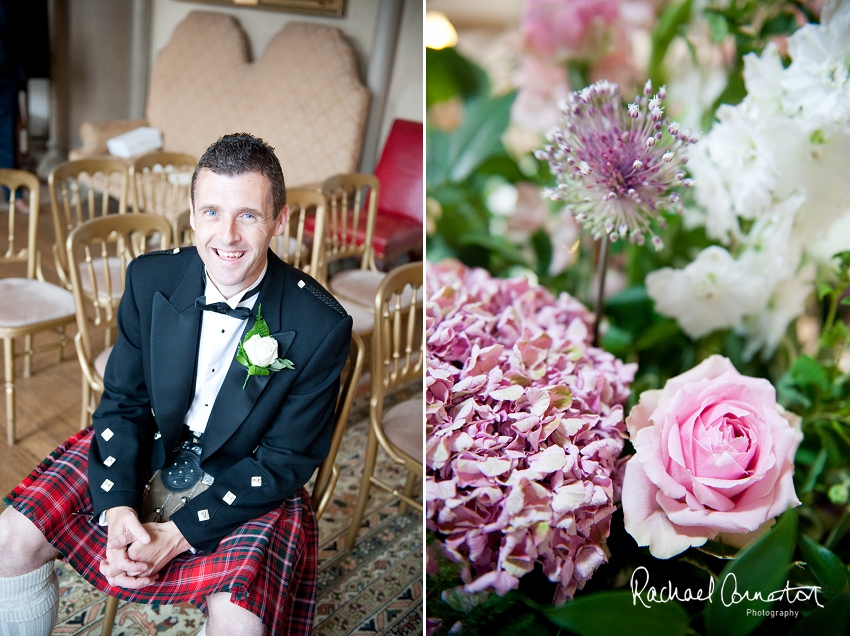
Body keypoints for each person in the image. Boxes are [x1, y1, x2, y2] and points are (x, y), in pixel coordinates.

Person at [0, 132, 353, 635]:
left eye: (248, 215)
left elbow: (284, 462)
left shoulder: (321, 325)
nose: (226, 235)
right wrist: (118, 505)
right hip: (153, 443)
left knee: (242, 627)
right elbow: (123, 403)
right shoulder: (150, 279)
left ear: (280, 220)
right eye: (211, 212)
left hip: (248, 473)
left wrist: (177, 535)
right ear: (191, 214)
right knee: (9, 539)